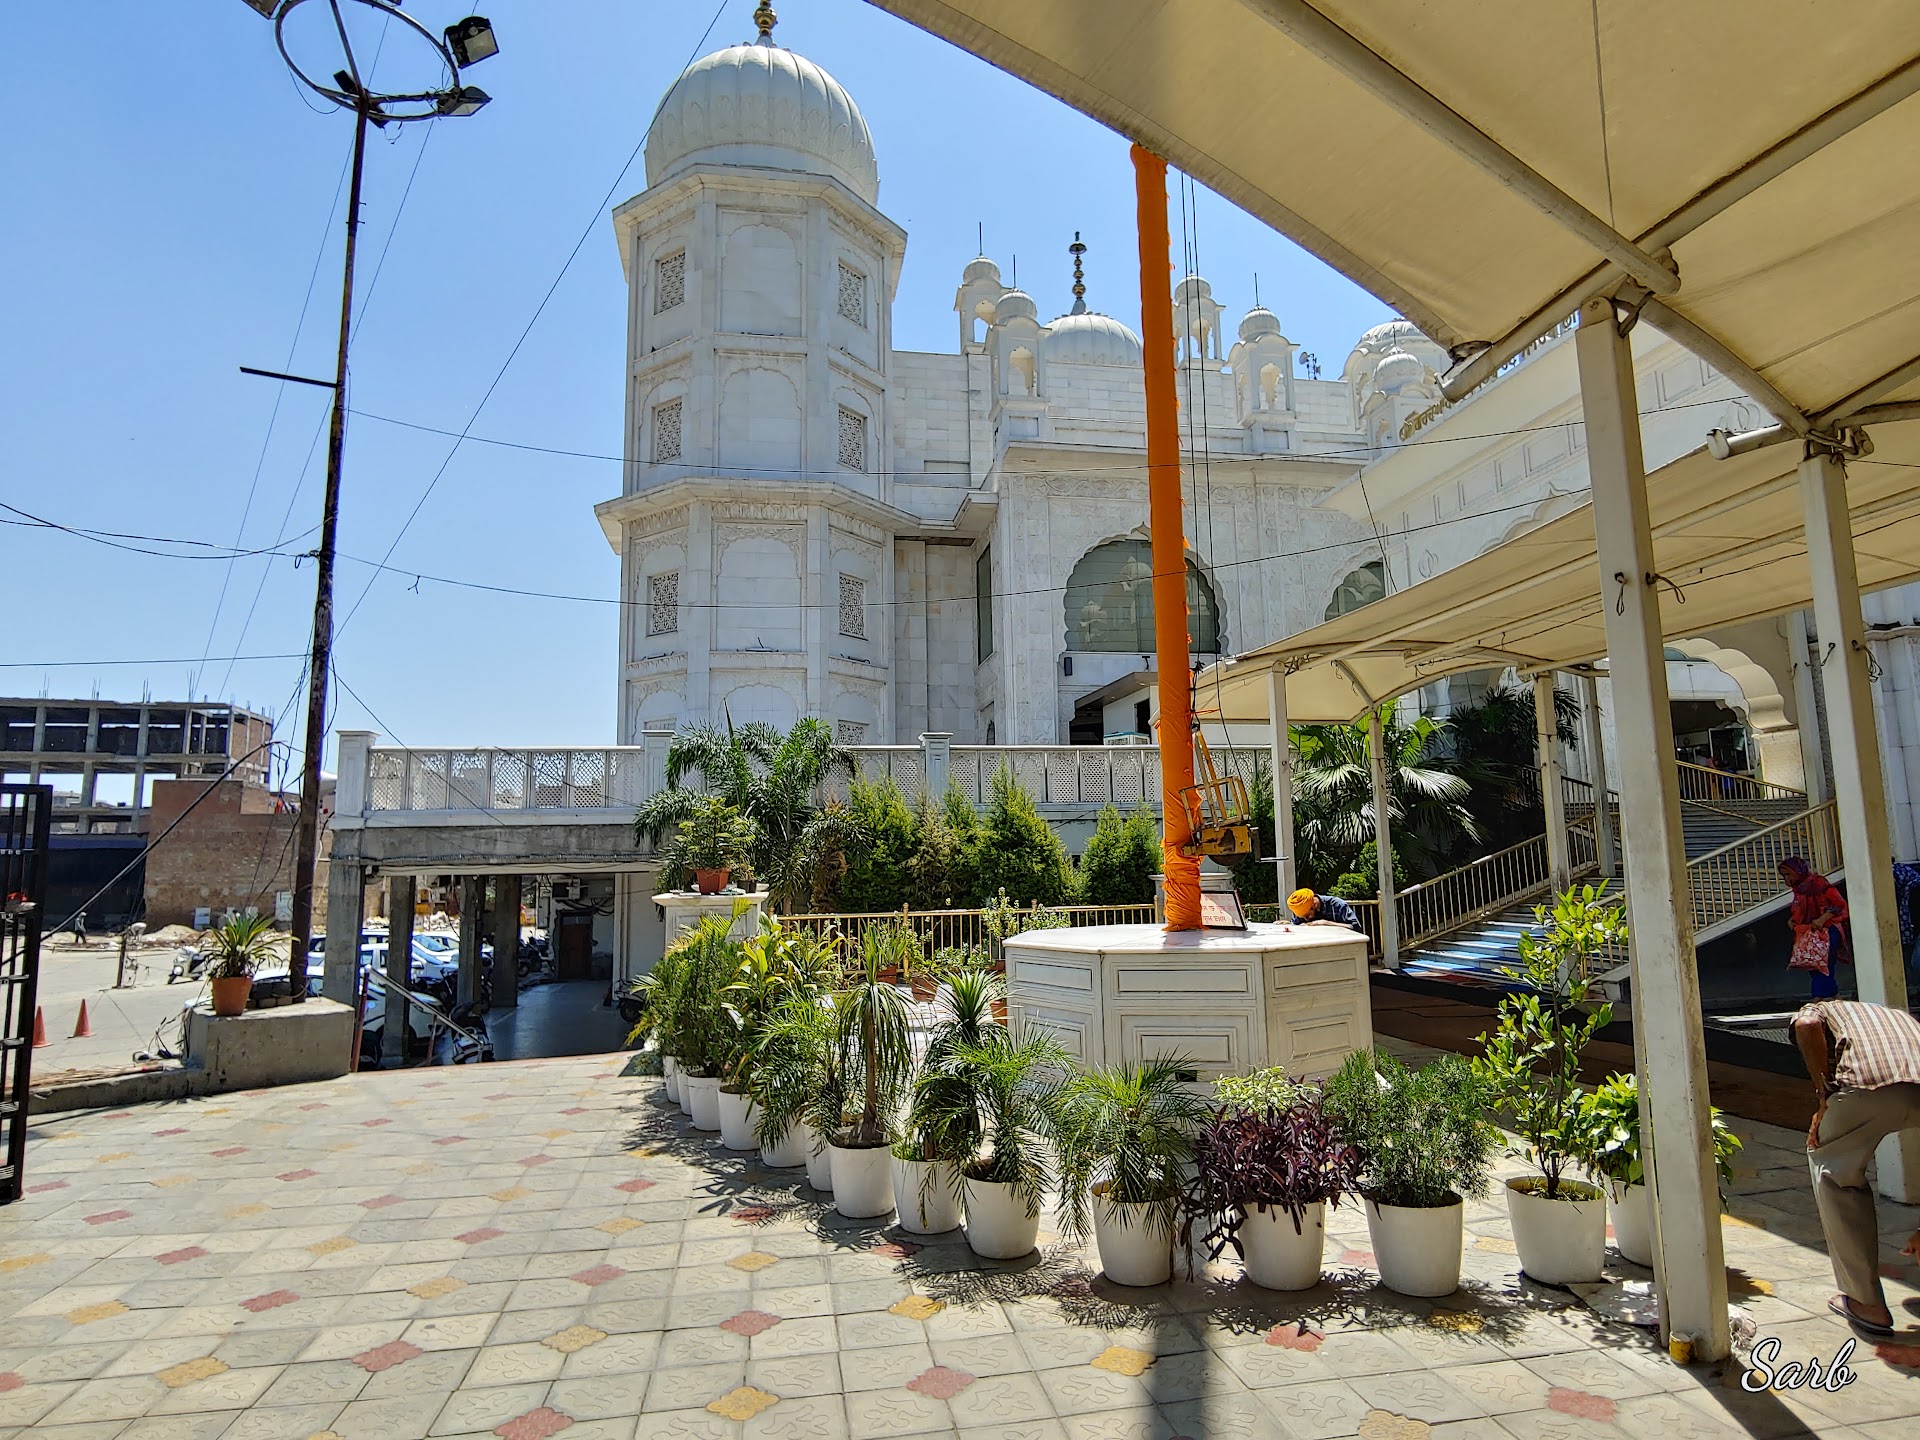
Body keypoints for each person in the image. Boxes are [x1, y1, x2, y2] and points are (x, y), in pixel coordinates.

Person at [1792, 999, 1920, 1334]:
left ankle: (1866, 1303)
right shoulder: (1900, 1017)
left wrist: (1823, 1096)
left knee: (1834, 1171)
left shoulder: (1818, 1008)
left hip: (1867, 1087)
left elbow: (1807, 1027)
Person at [1780, 856, 1850, 999]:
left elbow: (1839, 904)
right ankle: (1835, 996)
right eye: (1784, 876)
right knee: (1812, 963)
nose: (1786, 879)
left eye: (1788, 874)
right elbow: (1800, 909)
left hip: (1828, 929)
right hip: (1809, 931)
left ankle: (1817, 999)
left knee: (1823, 963)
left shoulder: (1819, 884)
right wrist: (1793, 920)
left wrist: (1822, 919)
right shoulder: (1799, 889)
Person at [1287, 887, 1362, 930]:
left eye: (1307, 915)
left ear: (1314, 905)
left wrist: (1327, 923)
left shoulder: (1337, 905)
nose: (1306, 919)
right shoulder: (1300, 908)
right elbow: (1295, 927)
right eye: (1302, 917)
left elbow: (1356, 928)